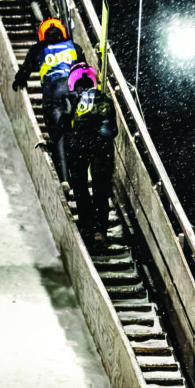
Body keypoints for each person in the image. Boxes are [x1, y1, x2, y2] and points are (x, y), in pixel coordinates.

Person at [12, 17, 87, 183]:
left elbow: (25, 70)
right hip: (73, 92)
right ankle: (80, 178)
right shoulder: (74, 47)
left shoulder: (39, 48)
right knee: (76, 134)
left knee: (58, 135)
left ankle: (65, 179)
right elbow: (85, 73)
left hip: (53, 94)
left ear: (43, 35)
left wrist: (18, 81)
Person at [64, 64, 118, 250]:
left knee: (80, 188)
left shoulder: (74, 100)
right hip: (102, 147)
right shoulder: (105, 99)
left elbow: (64, 124)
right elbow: (113, 130)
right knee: (100, 189)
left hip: (78, 147)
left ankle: (86, 227)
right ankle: (100, 231)